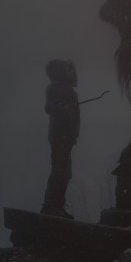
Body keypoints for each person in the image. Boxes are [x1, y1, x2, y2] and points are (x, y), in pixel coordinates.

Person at [41, 59, 80, 219]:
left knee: (63, 171)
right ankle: (52, 206)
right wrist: (63, 108)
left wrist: (72, 135)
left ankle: (56, 206)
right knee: (60, 171)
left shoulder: (65, 89)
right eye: (67, 70)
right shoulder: (57, 88)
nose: (72, 73)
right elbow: (49, 107)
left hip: (65, 137)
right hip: (60, 136)